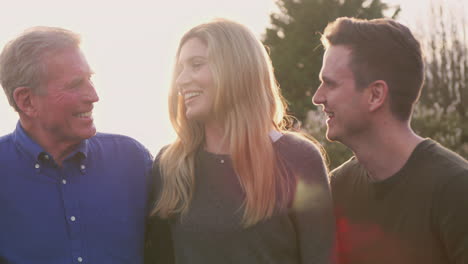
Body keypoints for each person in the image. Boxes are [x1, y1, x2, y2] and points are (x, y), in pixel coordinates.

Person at [145, 18, 335, 264]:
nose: (181, 80)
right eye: (180, 68)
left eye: (196, 64)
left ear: (237, 69)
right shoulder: (170, 165)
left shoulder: (299, 158)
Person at [312, 17, 468, 264]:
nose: (317, 97)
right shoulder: (338, 187)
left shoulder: (456, 190)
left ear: (375, 95)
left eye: (329, 84)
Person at [0, 27, 153, 264]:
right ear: (26, 101)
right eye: (75, 85)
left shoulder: (133, 161)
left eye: (89, 79)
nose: (93, 96)